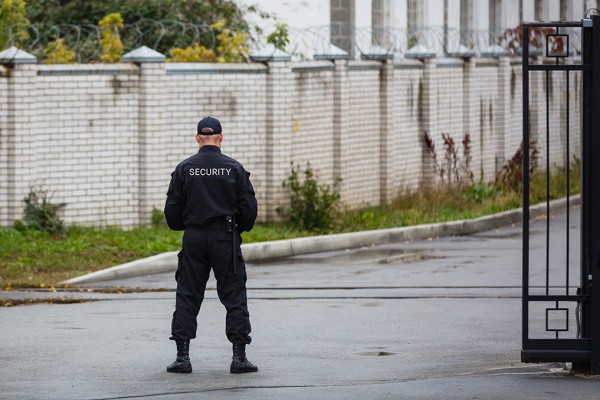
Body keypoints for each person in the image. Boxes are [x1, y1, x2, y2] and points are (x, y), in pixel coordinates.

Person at [164, 116, 258, 374]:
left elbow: (172, 212)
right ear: (220, 138)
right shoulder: (234, 168)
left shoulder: (184, 169)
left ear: (197, 138)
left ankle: (182, 358)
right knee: (234, 295)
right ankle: (239, 358)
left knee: (188, 294)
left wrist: (189, 226)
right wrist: (239, 230)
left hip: (194, 237)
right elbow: (249, 209)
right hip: (224, 237)